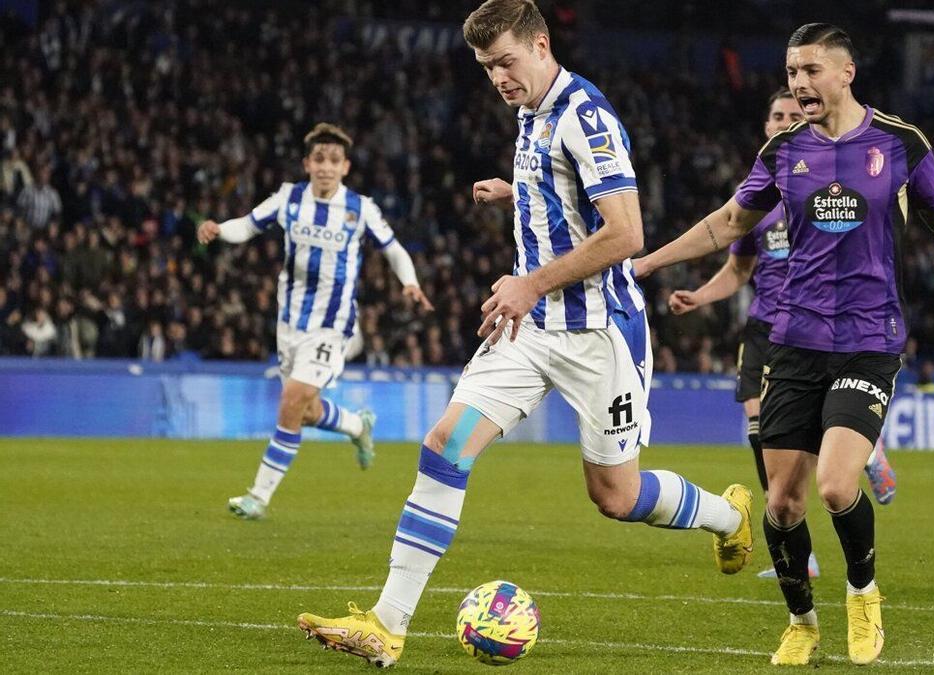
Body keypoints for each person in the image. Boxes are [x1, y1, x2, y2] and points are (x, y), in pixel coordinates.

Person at [295, 1, 752, 667]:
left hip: (600, 333)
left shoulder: (585, 114)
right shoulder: (531, 112)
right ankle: (386, 624)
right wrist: (523, 192)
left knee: (615, 495)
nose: (499, 78)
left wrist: (532, 281)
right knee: (446, 442)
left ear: (541, 46)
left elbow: (627, 233)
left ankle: (728, 516)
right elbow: (569, 194)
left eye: (506, 62)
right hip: (531, 326)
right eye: (486, 68)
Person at [634, 24, 934, 666]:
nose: (799, 83)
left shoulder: (900, 143)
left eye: (810, 71)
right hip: (795, 343)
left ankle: (863, 594)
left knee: (835, 486)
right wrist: (645, 265)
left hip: (869, 340)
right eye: (791, 71)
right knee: (780, 502)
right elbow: (728, 223)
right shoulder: (782, 152)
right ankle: (801, 622)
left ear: (846, 73)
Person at [665, 89, 897, 584]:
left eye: (794, 115)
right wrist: (701, 297)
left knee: (804, 444)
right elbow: (738, 268)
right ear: (766, 123)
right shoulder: (759, 201)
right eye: (777, 115)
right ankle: (798, 544)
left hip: (821, 332)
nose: (784, 122)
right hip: (767, 327)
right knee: (759, 432)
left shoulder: (833, 185)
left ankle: (862, 446)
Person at [198, 123, 433, 520]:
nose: (326, 167)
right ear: (307, 164)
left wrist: (409, 283)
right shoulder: (289, 198)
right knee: (304, 411)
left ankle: (258, 497)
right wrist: (219, 229)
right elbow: (248, 225)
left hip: (332, 325)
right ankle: (358, 426)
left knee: (291, 400)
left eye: (334, 160)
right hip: (289, 324)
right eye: (319, 159)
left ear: (346, 167)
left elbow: (393, 251)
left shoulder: (360, 208)